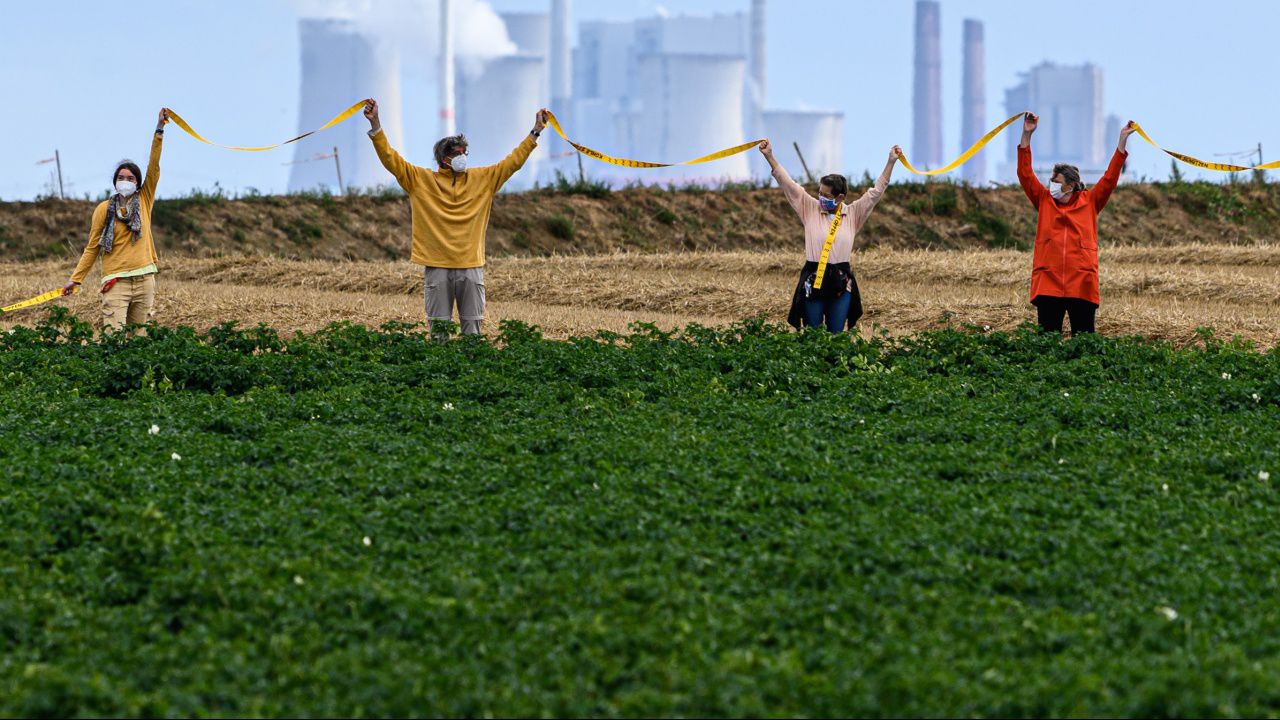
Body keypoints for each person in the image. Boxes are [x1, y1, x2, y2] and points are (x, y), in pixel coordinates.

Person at [364, 98, 545, 336]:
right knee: (439, 331)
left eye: (464, 152)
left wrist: (535, 133)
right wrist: (376, 124)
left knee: (473, 331)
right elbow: (391, 159)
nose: (462, 157)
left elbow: (513, 162)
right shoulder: (420, 180)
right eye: (455, 153)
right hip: (437, 267)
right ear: (443, 158)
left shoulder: (484, 179)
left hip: (471, 266)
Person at [759, 140, 902, 332]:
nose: (820, 198)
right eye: (819, 192)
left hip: (841, 281)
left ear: (840, 197)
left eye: (825, 195)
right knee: (813, 335)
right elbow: (788, 184)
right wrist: (769, 156)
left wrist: (891, 162)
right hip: (813, 277)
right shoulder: (809, 208)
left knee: (836, 336)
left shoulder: (853, 214)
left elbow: (875, 193)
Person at [1018, 112, 1134, 335]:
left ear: (1071, 185)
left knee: (1085, 341)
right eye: (1051, 181)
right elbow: (1024, 174)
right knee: (1046, 342)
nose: (1051, 185)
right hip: (1048, 283)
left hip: (1082, 283)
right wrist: (1026, 135)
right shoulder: (1044, 201)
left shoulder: (1090, 201)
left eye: (1056, 182)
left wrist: (1122, 141)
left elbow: (1110, 178)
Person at [63, 109, 171, 331]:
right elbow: (93, 247)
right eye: (121, 178)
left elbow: (154, 167)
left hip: (144, 279)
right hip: (115, 282)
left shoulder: (144, 199)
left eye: (130, 178)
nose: (125, 181)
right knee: (114, 338)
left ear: (138, 183)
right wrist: (76, 279)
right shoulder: (103, 209)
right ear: (114, 182)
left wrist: (159, 130)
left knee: (140, 339)